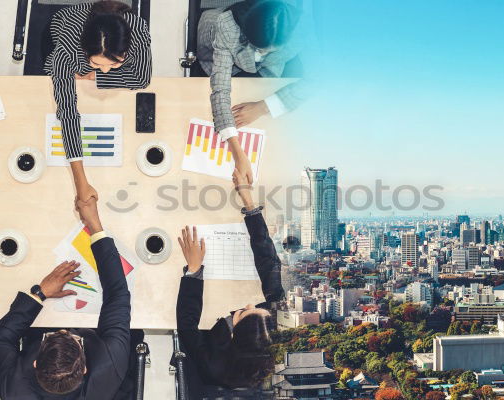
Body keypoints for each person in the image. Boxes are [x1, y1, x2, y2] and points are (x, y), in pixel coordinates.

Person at [0, 196, 132, 398]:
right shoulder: (108, 366)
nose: (64, 329)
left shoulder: (14, 389)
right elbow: (118, 295)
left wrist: (39, 293)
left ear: (35, 363)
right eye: (70, 336)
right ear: (84, 370)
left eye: (56, 334)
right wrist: (95, 226)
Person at [174, 168, 285, 399]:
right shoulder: (271, 330)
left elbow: (186, 325)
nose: (247, 305)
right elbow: (269, 262)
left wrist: (193, 270)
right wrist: (249, 202)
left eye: (243, 314)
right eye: (255, 309)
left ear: (234, 337)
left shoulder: (215, 364)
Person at [43, 0, 151, 205]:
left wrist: (95, 76)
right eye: (97, 63)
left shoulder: (138, 28)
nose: (107, 70)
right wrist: (81, 181)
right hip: (57, 29)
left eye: (115, 63)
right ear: (84, 53)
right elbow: (67, 113)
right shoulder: (67, 51)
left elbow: (142, 77)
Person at [197, 0, 310, 183]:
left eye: (270, 50)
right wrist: (238, 153)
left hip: (268, 70)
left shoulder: (304, 30)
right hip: (217, 51)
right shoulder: (226, 26)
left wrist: (264, 107)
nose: (263, 53)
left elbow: (320, 79)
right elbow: (220, 88)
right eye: (259, 49)